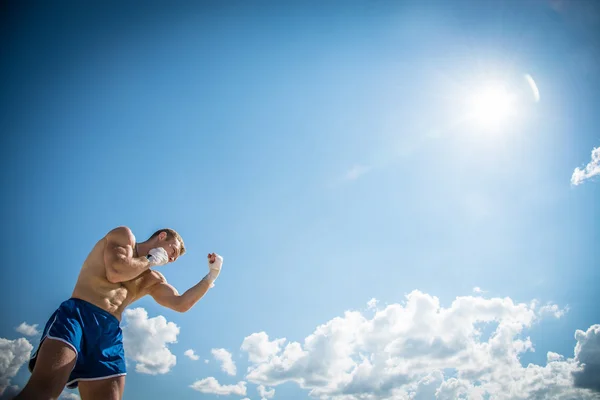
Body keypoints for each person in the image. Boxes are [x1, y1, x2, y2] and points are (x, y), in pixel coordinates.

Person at [14, 226, 223, 400]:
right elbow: (116, 272)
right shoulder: (124, 237)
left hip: (108, 332)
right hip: (79, 315)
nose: (170, 258)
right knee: (43, 392)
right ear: (161, 237)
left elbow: (181, 304)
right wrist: (149, 259)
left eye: (174, 258)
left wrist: (211, 276)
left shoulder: (151, 278)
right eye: (172, 251)